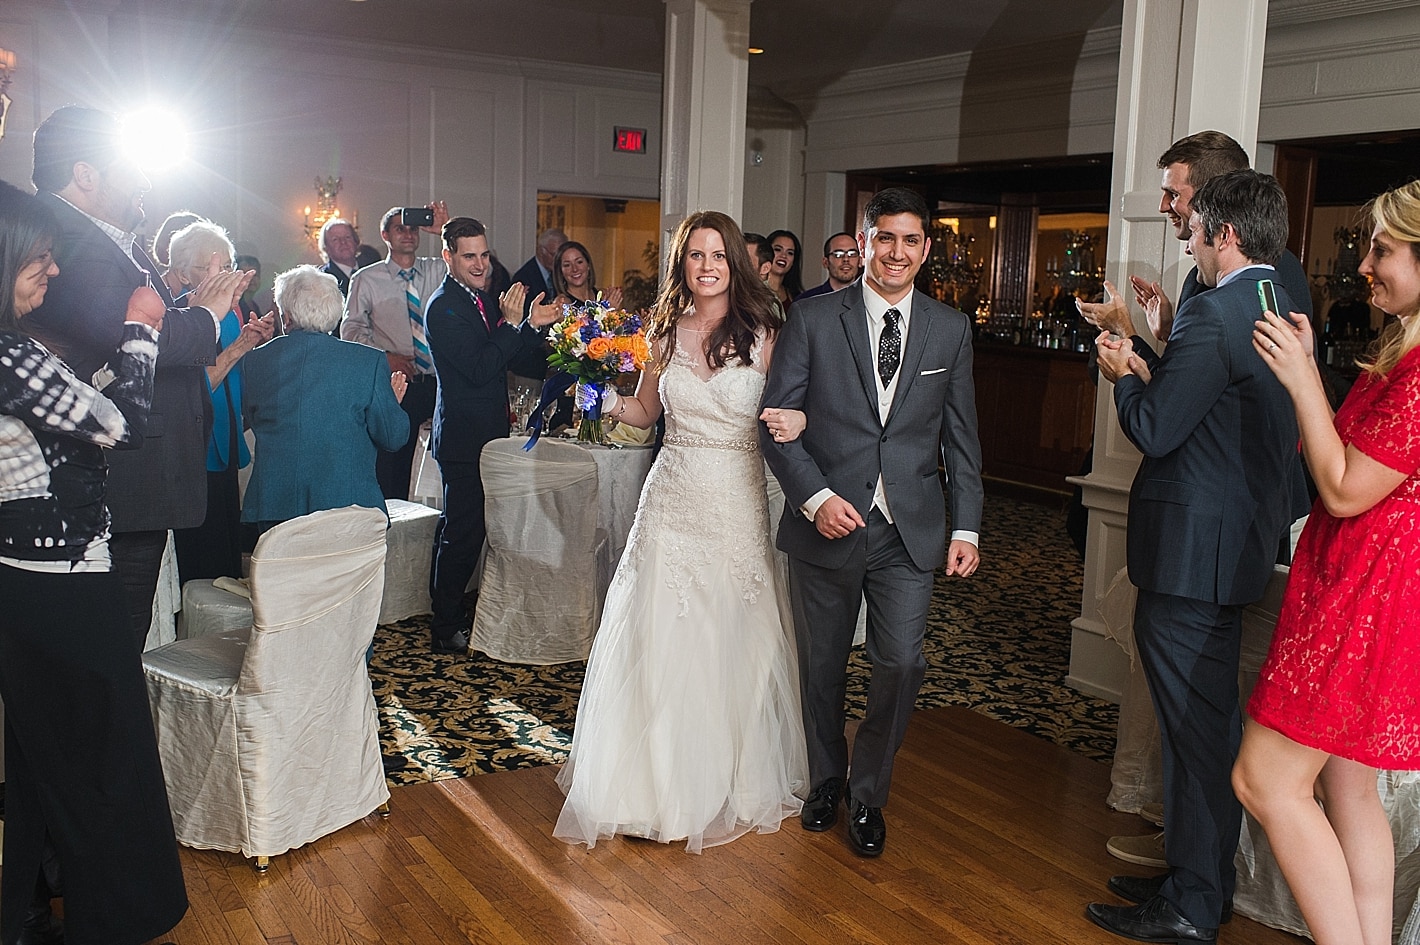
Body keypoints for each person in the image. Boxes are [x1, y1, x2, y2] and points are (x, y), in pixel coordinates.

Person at [1084, 170, 1308, 944]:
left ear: (1227, 234)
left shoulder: (1214, 312)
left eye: (1198, 230)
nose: (1192, 243)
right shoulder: (1273, 301)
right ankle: (1199, 883)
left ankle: (1191, 900)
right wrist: (1154, 368)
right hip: (1230, 545)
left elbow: (1156, 430)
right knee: (1204, 729)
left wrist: (1121, 379)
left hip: (1187, 556)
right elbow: (1207, 413)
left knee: (1194, 732)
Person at [554, 210, 808, 853]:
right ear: (682, 264)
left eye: (718, 255)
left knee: (730, 631)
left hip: (734, 495)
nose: (707, 266)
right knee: (660, 628)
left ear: (736, 265)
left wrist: (798, 421)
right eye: (696, 255)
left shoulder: (767, 332)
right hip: (670, 495)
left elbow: (796, 406)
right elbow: (644, 415)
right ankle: (651, 786)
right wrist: (601, 396)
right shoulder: (662, 332)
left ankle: (723, 781)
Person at [761, 187, 984, 859]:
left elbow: (962, 437)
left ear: (924, 248)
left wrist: (966, 528)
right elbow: (777, 425)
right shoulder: (813, 318)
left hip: (909, 530)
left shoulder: (951, 328)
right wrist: (815, 499)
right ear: (863, 243)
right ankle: (827, 780)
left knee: (901, 663)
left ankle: (869, 790)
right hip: (828, 522)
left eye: (911, 240)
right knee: (823, 665)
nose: (897, 252)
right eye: (884, 237)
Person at [0, 181, 187, 945]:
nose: (49, 270)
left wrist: (114, 361)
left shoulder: (19, 355)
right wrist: (142, 329)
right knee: (107, 755)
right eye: (36, 257)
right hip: (62, 581)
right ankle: (116, 918)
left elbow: (81, 411)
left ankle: (20, 911)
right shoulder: (10, 353)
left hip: (24, 576)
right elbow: (123, 424)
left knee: (42, 753)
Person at [1233, 179, 1420, 945]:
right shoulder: (1401, 354)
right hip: (1353, 585)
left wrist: (1304, 376)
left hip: (1365, 600)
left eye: (1382, 249)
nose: (1365, 265)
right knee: (1348, 783)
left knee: (1265, 780)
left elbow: (1343, 489)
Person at [25, 105, 250, 648]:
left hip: (138, 473)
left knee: (118, 634)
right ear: (86, 174)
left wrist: (190, 314)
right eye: (132, 167)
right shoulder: (69, 242)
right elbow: (139, 339)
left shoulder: (103, 239)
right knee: (109, 640)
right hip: (116, 473)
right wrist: (205, 316)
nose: (145, 183)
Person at [423, 217, 561, 655]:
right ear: (449, 257)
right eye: (469, 256)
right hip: (465, 438)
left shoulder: (480, 299)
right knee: (463, 533)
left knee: (466, 529)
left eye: (484, 254)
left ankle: (447, 611)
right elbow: (482, 367)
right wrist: (512, 324)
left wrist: (530, 325)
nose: (481, 264)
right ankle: (445, 626)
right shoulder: (444, 307)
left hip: (486, 434)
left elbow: (509, 357)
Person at [242, 265, 409, 530]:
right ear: (337, 312)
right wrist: (391, 405)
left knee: (285, 573)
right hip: (348, 505)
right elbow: (392, 437)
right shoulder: (369, 362)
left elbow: (255, 420)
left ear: (287, 316)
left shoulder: (254, 361)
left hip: (276, 504)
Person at [166, 221, 275, 581]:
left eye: (229, 267)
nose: (228, 278)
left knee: (228, 536)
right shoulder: (179, 318)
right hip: (194, 441)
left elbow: (236, 373)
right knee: (204, 549)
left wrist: (253, 342)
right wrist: (238, 348)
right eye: (215, 269)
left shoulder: (229, 313)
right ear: (183, 273)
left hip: (226, 430)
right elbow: (194, 388)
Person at [341, 201, 450, 500]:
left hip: (438, 382)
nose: (408, 234)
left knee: (437, 463)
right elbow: (350, 331)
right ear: (385, 234)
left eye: (413, 228)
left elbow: (476, 268)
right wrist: (384, 358)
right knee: (394, 464)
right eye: (399, 228)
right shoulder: (366, 278)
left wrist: (443, 230)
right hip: (395, 383)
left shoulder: (437, 268)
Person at [794, 232, 863, 302]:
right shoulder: (805, 301)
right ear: (825, 262)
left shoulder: (868, 299)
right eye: (838, 254)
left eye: (852, 254)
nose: (846, 259)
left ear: (860, 261)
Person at [318, 217, 360, 296]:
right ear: (326, 248)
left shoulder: (372, 270)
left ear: (356, 241)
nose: (343, 242)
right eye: (335, 239)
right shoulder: (322, 279)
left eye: (347, 237)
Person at [765, 229, 804, 306]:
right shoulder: (752, 291)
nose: (783, 256)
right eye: (778, 249)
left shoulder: (796, 296)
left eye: (790, 253)